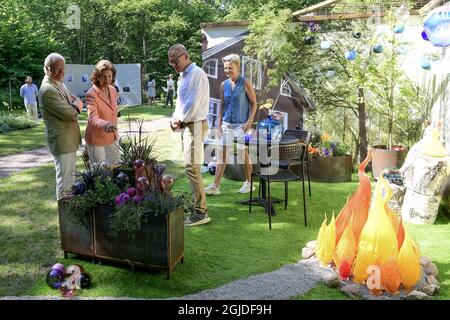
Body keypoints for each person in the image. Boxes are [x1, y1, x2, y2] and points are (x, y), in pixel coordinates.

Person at [168, 44, 210, 226]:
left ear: (185, 56)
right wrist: (174, 119)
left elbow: (192, 104)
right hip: (189, 125)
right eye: (171, 63)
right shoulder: (183, 76)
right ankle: (198, 207)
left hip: (196, 125)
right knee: (191, 168)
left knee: (192, 168)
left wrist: (180, 120)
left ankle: (200, 212)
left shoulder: (196, 74)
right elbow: (181, 102)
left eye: (175, 61)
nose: (174, 65)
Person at [204, 54, 257, 195]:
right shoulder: (223, 85)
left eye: (230, 68)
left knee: (242, 153)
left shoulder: (245, 83)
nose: (227, 71)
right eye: (226, 68)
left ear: (238, 67)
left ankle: (249, 183)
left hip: (242, 125)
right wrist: (219, 123)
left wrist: (249, 121)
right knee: (222, 154)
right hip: (226, 124)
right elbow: (222, 105)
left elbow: (254, 104)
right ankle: (215, 186)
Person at [38, 53, 83, 200]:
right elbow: (71, 114)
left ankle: (70, 215)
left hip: (69, 140)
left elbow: (76, 99)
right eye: (57, 69)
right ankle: (65, 218)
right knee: (65, 182)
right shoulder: (47, 90)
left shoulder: (60, 84)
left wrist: (75, 104)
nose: (61, 72)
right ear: (47, 69)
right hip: (61, 142)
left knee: (71, 179)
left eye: (63, 68)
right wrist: (76, 106)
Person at [84, 60, 120, 166]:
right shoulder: (91, 94)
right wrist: (105, 124)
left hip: (112, 137)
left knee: (116, 168)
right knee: (100, 173)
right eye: (104, 76)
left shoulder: (113, 90)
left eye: (109, 76)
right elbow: (93, 118)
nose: (107, 79)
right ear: (97, 76)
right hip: (97, 138)